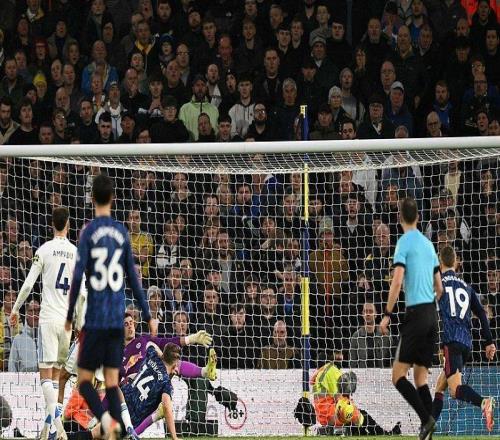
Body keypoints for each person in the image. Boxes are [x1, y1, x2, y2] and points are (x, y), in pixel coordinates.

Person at [65, 174, 157, 440]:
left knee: (84, 381)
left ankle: (106, 421)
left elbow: (78, 276)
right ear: (113, 199)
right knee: (113, 384)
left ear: (92, 198)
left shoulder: (88, 232)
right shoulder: (121, 233)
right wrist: (148, 315)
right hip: (116, 320)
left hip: (95, 319)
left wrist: (70, 315)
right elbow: (135, 280)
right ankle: (113, 429)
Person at [10, 207, 86, 440]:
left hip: (48, 320)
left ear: (52, 224)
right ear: (68, 225)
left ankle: (57, 428)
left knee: (45, 378)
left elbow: (27, 285)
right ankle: (48, 431)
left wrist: (15, 309)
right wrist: (80, 324)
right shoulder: (76, 253)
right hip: (67, 323)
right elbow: (82, 294)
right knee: (55, 379)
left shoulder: (43, 250)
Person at [380, 197, 443, 440]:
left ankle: (426, 420)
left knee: (398, 375)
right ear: (417, 216)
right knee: (420, 379)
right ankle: (429, 433)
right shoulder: (429, 245)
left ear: (400, 218)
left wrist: (387, 314)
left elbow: (397, 281)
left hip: (416, 315)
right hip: (432, 315)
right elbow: (439, 288)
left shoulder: (403, 243)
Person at [431, 245, 496, 432]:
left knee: (455, 390)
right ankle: (427, 427)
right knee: (440, 386)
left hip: (451, 340)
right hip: (466, 342)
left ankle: (484, 402)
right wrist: (489, 341)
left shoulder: (439, 284)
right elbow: (482, 313)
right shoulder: (467, 287)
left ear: (440, 263)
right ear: (456, 262)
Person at [79, 343, 181, 440]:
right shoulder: (166, 383)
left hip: (121, 399)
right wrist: (174, 437)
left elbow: (150, 344)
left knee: (94, 435)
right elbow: (166, 406)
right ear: (175, 364)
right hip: (130, 415)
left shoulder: (152, 356)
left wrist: (162, 356)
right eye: (177, 365)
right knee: (96, 435)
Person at [311, 359, 401, 436]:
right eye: (339, 354)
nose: (341, 357)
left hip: (324, 416)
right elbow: (339, 398)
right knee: (361, 415)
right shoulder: (330, 371)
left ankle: (373, 433)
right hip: (332, 415)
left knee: (358, 418)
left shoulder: (320, 373)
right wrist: (350, 405)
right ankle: (384, 434)